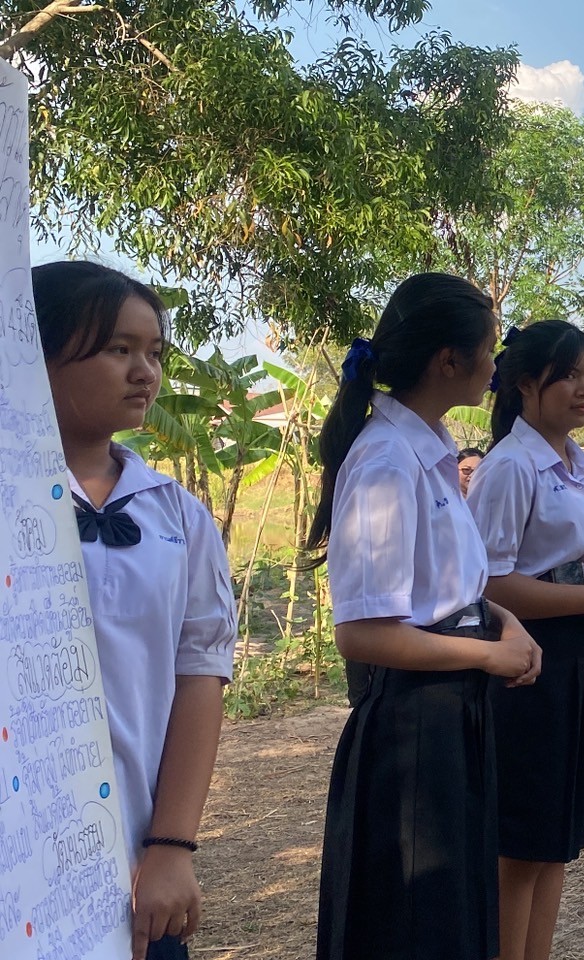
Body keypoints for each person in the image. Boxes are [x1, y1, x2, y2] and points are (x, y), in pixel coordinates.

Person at [308, 273, 544, 960]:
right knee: (414, 920)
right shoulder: (386, 460)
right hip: (413, 728)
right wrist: (487, 653)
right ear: (448, 360)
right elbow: (363, 633)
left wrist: (505, 622)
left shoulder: (430, 451)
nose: (495, 367)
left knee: (452, 912)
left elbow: (444, 588)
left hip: (452, 710)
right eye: (488, 350)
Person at [34, 262, 238, 960]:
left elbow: (199, 674)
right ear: (36, 354)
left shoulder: (178, 517)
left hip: (132, 867)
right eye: (118, 348)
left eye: (154, 353)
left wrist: (171, 846)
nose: (144, 372)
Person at [467, 321, 584, 960]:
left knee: (555, 841)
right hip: (528, 662)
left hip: (577, 657)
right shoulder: (510, 467)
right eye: (568, 375)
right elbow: (488, 583)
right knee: (521, 845)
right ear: (523, 384)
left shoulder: (578, 463)